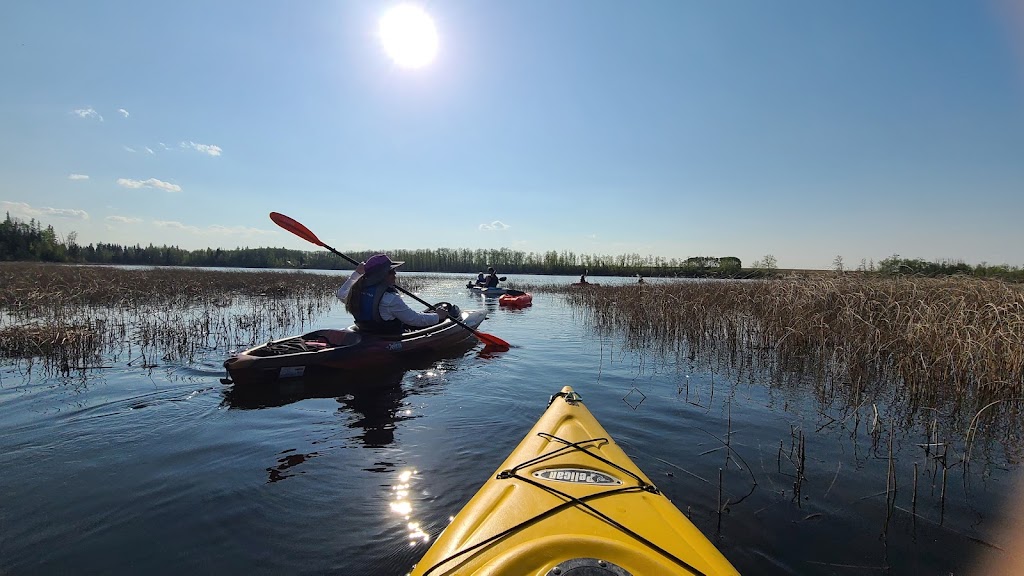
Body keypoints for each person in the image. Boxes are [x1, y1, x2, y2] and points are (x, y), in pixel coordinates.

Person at [336, 254, 449, 334]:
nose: (395, 274)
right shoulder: (389, 298)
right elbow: (414, 320)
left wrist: (357, 273)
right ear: (381, 275)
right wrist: (438, 316)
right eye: (391, 271)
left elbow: (341, 294)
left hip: (365, 331)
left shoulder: (356, 290)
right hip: (385, 336)